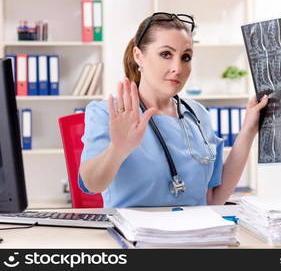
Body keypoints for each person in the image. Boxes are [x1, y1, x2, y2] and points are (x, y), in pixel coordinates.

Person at [79, 12, 268, 208]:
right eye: (165, 54)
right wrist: (118, 149)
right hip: (136, 236)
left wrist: (248, 131)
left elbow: (213, 199)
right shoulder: (108, 112)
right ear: (139, 56)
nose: (177, 68)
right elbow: (93, 184)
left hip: (193, 233)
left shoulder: (198, 114)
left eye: (185, 57)